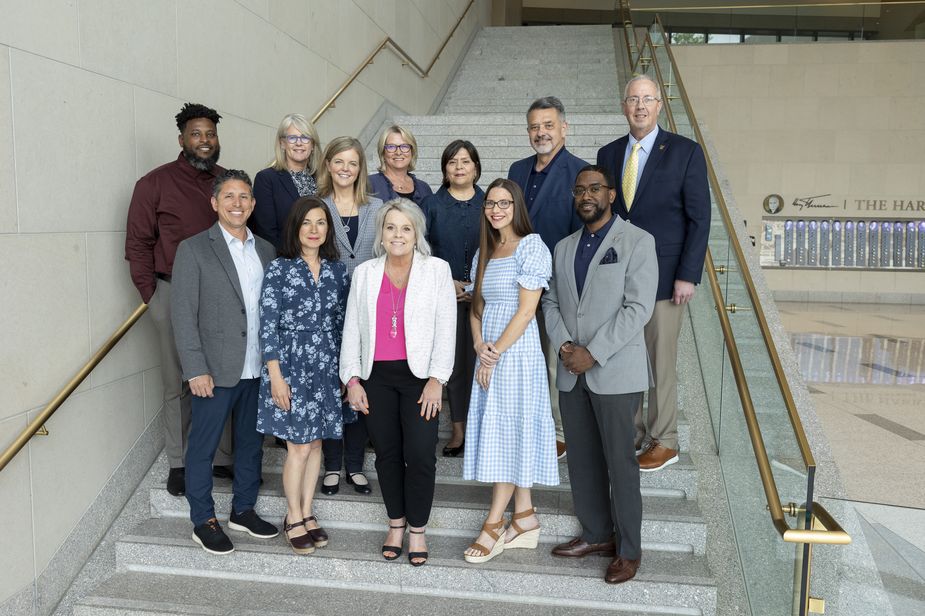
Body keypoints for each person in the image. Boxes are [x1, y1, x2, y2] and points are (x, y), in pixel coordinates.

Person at [542, 165, 658, 584]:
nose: (586, 195)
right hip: (572, 370)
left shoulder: (638, 242)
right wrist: (565, 347)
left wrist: (594, 352)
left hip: (615, 372)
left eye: (594, 188)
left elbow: (638, 308)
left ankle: (629, 550)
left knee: (620, 463)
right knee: (584, 462)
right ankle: (595, 534)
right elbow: (550, 302)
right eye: (579, 190)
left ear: (611, 194)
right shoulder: (563, 247)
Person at [596, 75, 710, 472]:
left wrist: (688, 275)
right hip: (618, 278)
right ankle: (631, 434)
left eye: (647, 99)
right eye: (633, 99)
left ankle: (665, 440)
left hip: (666, 278)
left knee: (660, 359)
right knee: (624, 358)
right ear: (624, 105)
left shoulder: (685, 152)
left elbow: (700, 218)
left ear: (660, 105)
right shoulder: (608, 153)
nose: (640, 106)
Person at [125, 102, 234, 497]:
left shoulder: (227, 183)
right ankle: (180, 461)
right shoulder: (153, 184)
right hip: (172, 291)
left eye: (210, 134)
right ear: (182, 139)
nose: (205, 141)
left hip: (223, 294)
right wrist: (153, 299)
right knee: (180, 382)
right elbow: (137, 244)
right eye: (196, 134)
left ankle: (222, 456)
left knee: (224, 376)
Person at [340, 199, 456, 566]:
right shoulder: (366, 272)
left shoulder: (436, 270)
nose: (398, 234)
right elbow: (352, 330)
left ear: (416, 232)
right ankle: (395, 524)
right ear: (381, 232)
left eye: (406, 228)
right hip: (377, 378)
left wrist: (438, 379)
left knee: (421, 454)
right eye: (391, 227)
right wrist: (352, 380)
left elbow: (446, 328)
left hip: (421, 378)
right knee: (387, 454)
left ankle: (418, 530)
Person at [170, 169, 278, 555]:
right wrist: (195, 368)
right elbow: (183, 314)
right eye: (229, 196)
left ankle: (243, 509)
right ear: (215, 203)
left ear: (252, 204)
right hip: (213, 371)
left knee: (250, 444)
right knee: (203, 446)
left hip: (256, 368)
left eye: (244, 197)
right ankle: (204, 519)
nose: (238, 203)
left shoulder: (265, 249)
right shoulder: (194, 248)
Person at [462, 178, 558, 564]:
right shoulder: (486, 251)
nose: (496, 209)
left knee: (510, 430)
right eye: (490, 203)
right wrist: (477, 345)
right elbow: (476, 309)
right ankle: (525, 516)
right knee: (506, 430)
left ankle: (493, 522)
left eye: (504, 203)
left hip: (515, 353)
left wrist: (495, 353)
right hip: (488, 350)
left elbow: (525, 311)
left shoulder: (531, 247)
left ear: (517, 207)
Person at [256, 197, 352, 555]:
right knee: (297, 446)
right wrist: (276, 376)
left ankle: (308, 511)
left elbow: (344, 326)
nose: (314, 230)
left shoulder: (337, 271)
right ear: (295, 227)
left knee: (316, 444)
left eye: (321, 223)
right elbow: (267, 326)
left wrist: (346, 374)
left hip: (326, 367)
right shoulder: (280, 269)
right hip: (291, 368)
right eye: (307, 223)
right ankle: (292, 516)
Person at [508, 96, 586, 459]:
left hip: (558, 283)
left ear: (564, 128)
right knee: (523, 355)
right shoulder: (517, 170)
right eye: (535, 127)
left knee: (555, 359)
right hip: (519, 281)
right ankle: (526, 423)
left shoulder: (581, 174)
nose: (541, 132)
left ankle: (557, 431)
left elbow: (582, 233)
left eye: (548, 125)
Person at [315, 136, 385, 496]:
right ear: (328, 165)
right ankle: (331, 466)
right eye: (339, 161)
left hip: (368, 310)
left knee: (359, 383)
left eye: (353, 163)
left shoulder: (378, 208)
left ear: (362, 169)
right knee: (331, 387)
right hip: (325, 311)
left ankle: (354, 466)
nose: (345, 169)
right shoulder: (317, 207)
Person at [421, 140, 484, 457]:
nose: (459, 167)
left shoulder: (490, 202)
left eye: (466, 161)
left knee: (482, 363)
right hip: (444, 297)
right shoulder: (431, 204)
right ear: (445, 168)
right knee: (456, 364)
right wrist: (449, 283)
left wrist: (476, 285)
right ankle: (459, 430)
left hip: (486, 296)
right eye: (452, 162)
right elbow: (421, 251)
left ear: (475, 167)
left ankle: (483, 429)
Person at [251, 113, 322, 251]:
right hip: (285, 261)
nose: (299, 143)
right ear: (282, 143)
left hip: (322, 260)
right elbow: (266, 233)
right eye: (292, 137)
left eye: (305, 137)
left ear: (313, 145)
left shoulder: (322, 178)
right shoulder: (266, 179)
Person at [368, 124, 433, 206]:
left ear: (412, 152)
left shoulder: (424, 188)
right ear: (383, 153)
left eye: (404, 146)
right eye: (391, 147)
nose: (398, 152)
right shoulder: (370, 184)